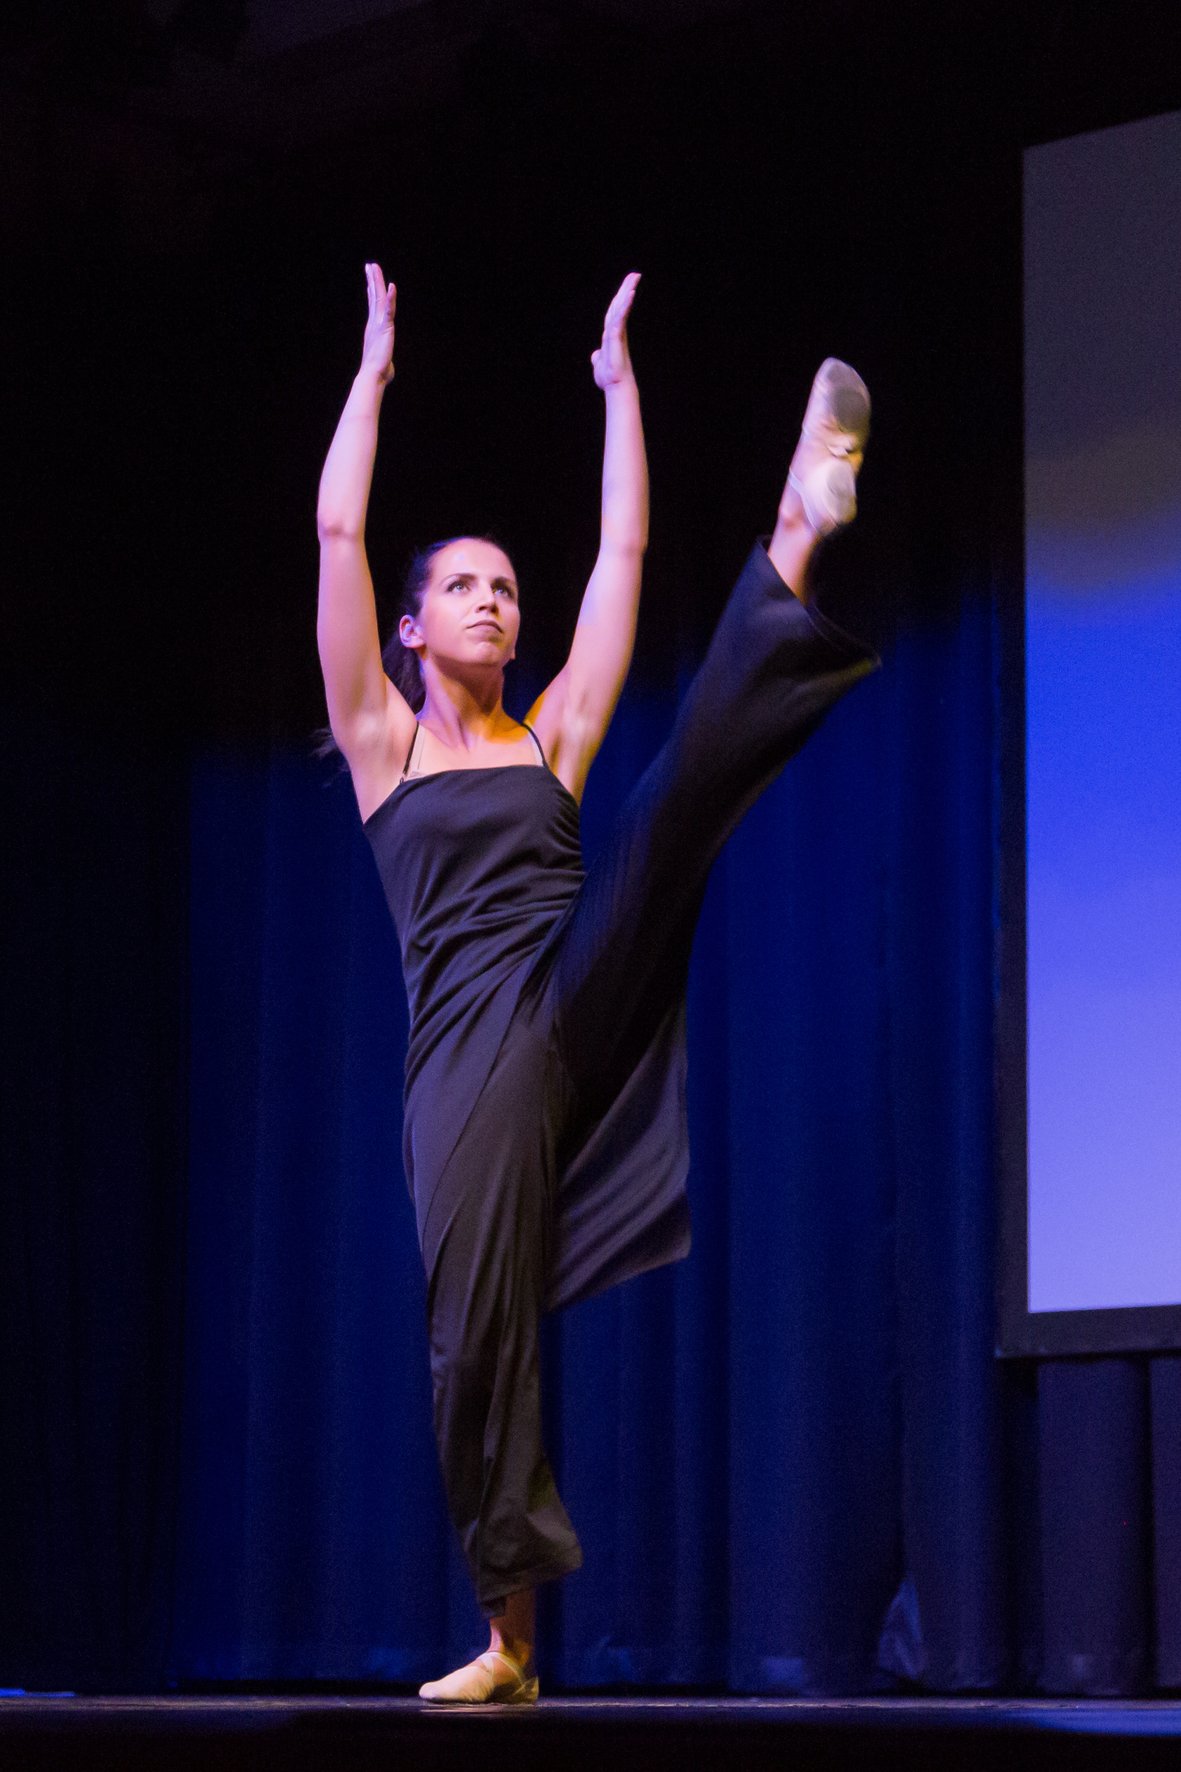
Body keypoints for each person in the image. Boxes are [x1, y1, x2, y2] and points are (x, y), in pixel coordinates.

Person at [315, 262, 880, 1704]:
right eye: (464, 585)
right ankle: (509, 1643)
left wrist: (620, 390)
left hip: (570, 995)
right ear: (410, 628)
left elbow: (621, 556)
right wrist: (370, 377)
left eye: (507, 586)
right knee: (473, 1342)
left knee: (671, 804)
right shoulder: (384, 743)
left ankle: (793, 537)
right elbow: (338, 529)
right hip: (464, 1071)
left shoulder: (551, 734)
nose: (494, 600)